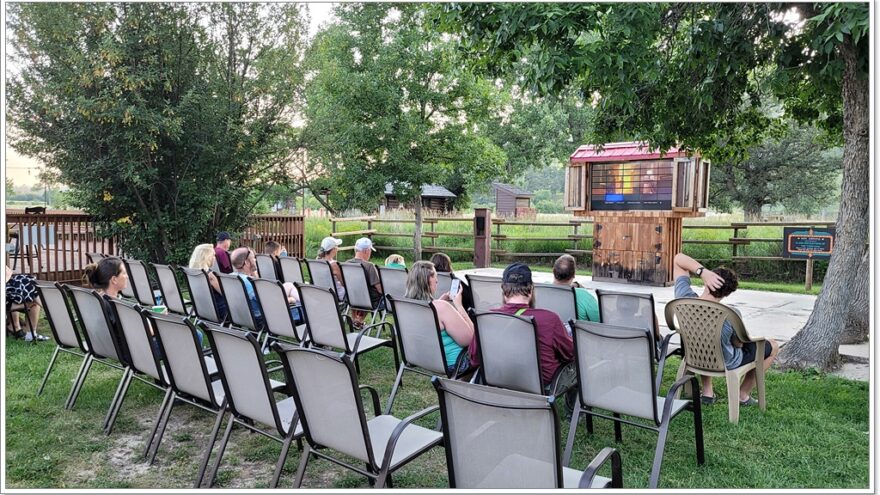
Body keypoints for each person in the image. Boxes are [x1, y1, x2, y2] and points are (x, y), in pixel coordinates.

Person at [672, 252, 779, 406]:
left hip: (694, 356)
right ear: (728, 293)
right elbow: (739, 344)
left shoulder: (683, 298)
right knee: (772, 346)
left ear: (707, 282)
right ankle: (742, 394)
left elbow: (678, 259)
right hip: (725, 362)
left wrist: (702, 272)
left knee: (705, 339)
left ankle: (707, 392)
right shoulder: (731, 314)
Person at [468, 263, 574, 387]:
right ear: (530, 291)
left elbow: (474, 359)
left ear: (504, 291)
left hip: (498, 380)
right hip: (539, 386)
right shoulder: (549, 319)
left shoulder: (485, 318)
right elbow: (570, 353)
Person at [404, 261, 474, 375]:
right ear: (428, 280)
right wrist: (459, 306)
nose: (437, 280)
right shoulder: (441, 308)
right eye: (435, 276)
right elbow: (469, 340)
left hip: (422, 359)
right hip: (456, 364)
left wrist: (440, 301)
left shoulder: (403, 306)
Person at [231, 247, 301, 327]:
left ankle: (304, 301)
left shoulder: (232, 278)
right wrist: (289, 300)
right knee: (301, 306)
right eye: (253, 258)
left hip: (244, 315)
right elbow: (267, 303)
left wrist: (253, 273)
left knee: (288, 285)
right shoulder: (248, 282)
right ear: (247, 262)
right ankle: (307, 305)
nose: (255, 260)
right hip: (264, 317)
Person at [345, 237, 383, 326]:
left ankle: (355, 319)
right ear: (366, 251)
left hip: (351, 298)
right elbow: (379, 289)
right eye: (370, 251)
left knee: (358, 290)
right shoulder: (370, 266)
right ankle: (359, 320)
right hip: (368, 301)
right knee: (373, 292)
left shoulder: (346, 264)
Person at [552, 254, 599, 322]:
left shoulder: (541, 289)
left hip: (549, 331)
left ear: (553, 271)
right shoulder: (584, 296)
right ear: (574, 275)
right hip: (574, 332)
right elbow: (600, 321)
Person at [188, 243, 229, 321]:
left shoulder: (191, 274)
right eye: (213, 255)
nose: (215, 258)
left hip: (203, 311)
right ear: (207, 257)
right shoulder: (209, 276)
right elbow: (225, 294)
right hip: (220, 311)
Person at [5, 264, 46, 341]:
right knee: (31, 294)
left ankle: (30, 334)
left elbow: (8, 272)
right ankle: (49, 310)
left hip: (9, 295)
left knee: (26, 280)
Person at [317, 236, 346, 301]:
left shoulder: (317, 262)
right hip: (336, 295)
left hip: (322, 293)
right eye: (336, 247)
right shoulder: (334, 265)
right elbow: (344, 283)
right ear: (333, 249)